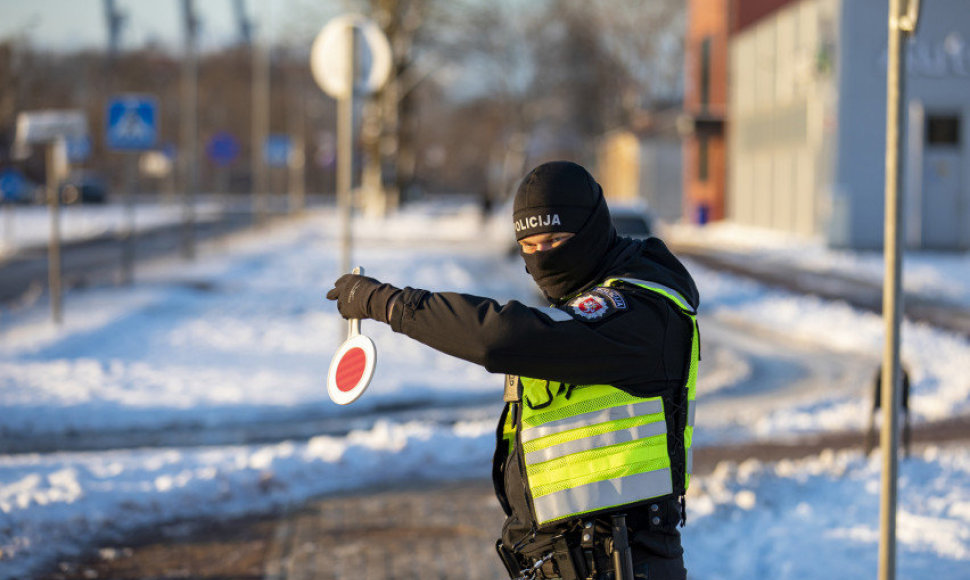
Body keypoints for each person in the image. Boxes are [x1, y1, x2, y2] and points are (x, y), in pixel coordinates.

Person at [327, 161, 700, 580]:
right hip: (565, 562)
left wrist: (392, 305)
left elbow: (503, 336)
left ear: (593, 230)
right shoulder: (582, 304)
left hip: (625, 564)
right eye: (530, 245)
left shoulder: (641, 312)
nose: (543, 258)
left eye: (556, 240)